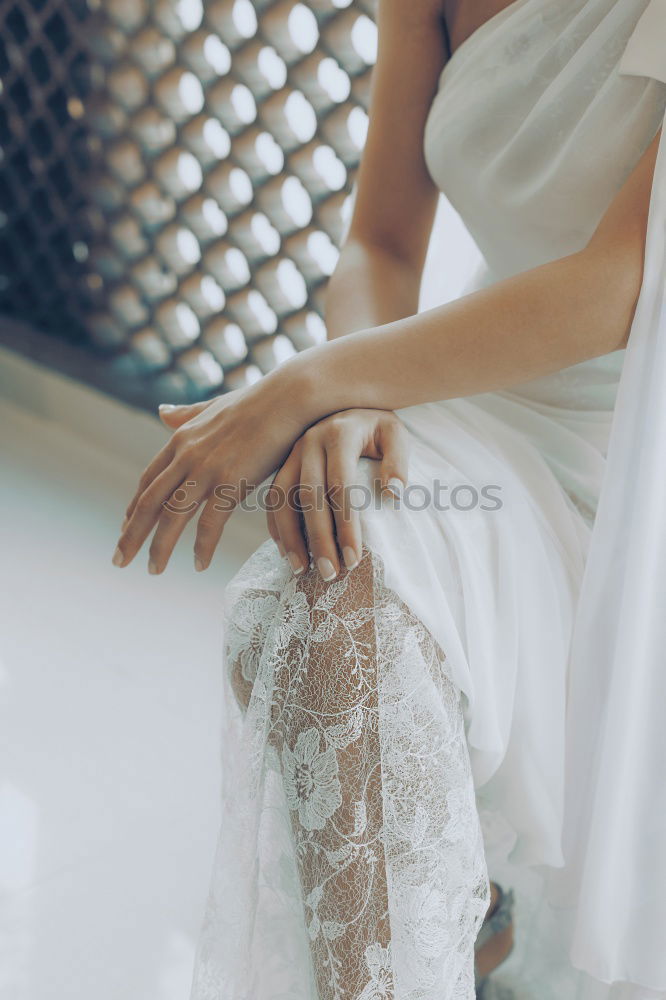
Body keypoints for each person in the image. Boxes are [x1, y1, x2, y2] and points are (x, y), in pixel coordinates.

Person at [112, 0, 666, 996]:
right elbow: (381, 244)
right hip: (484, 384)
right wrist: (355, 394)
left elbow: (619, 284)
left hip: (638, 433)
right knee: (327, 578)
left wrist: (310, 384)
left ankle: (475, 902)